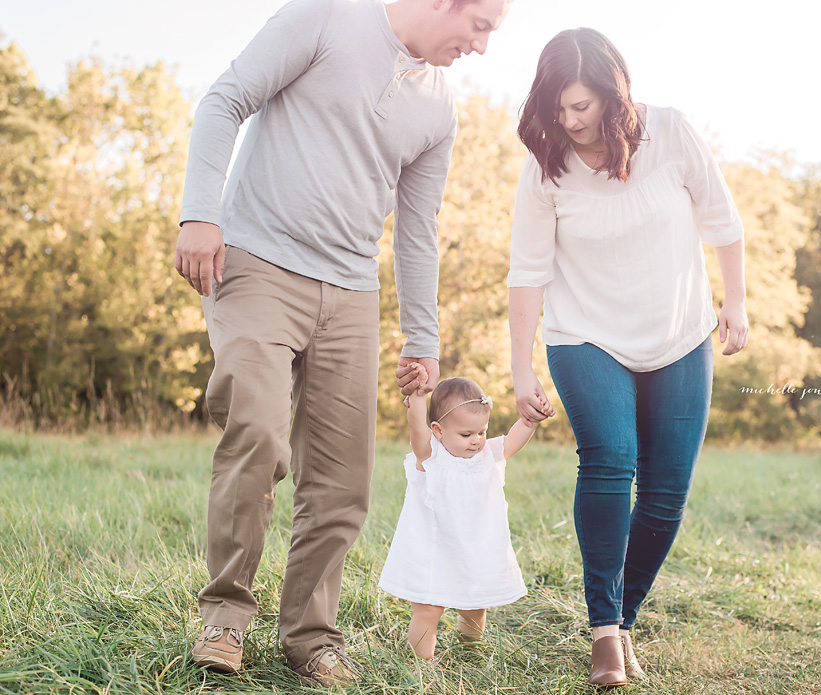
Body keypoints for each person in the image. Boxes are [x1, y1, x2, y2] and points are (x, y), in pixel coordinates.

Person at [174, 0, 512, 686]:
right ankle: (225, 616)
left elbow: (418, 227)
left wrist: (424, 336)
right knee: (259, 434)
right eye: (479, 26)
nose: (481, 47)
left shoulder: (439, 111)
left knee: (343, 481)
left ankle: (310, 635)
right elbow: (224, 99)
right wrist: (199, 212)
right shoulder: (326, 16)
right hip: (257, 262)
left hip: (351, 292)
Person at [507, 28, 749, 687]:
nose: (569, 120)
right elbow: (527, 272)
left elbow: (724, 221)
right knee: (611, 457)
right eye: (558, 108)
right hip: (585, 336)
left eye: (581, 106)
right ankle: (603, 634)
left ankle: (623, 614)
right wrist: (521, 364)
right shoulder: (546, 167)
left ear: (616, 98)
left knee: (667, 491)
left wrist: (736, 302)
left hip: (678, 334)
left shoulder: (672, 134)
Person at [378, 368, 554, 660]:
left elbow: (512, 440)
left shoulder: (487, 455)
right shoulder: (430, 455)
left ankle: (470, 651)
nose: (476, 440)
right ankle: (423, 665)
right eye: (466, 434)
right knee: (428, 608)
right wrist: (418, 397)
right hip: (433, 551)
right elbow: (416, 429)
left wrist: (530, 421)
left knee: (475, 605)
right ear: (438, 430)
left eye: (481, 432)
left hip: (475, 549)